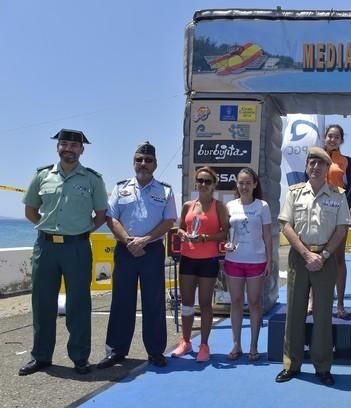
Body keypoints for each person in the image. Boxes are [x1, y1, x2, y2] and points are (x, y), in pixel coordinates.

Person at [20, 129, 108, 376]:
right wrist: (49, 229)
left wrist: (79, 232)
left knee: (79, 304)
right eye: (64, 144)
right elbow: (30, 211)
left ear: (82, 150)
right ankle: (41, 357)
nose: (69, 148)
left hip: (77, 248)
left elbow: (100, 216)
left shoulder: (92, 179)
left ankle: (80, 357)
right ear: (58, 147)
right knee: (42, 303)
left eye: (74, 145)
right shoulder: (42, 176)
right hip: (46, 247)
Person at [97, 142, 177, 369]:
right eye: (139, 159)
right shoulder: (120, 188)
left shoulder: (166, 191)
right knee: (122, 301)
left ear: (155, 164)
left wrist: (144, 240)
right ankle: (116, 351)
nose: (143, 164)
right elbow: (110, 218)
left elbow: (169, 221)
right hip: (125, 249)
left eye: (148, 160)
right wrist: (129, 241)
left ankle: (155, 352)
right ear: (134, 162)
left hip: (151, 250)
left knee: (153, 302)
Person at [275, 147, 351, 386]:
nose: (316, 167)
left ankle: (323, 366)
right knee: (295, 313)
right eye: (312, 162)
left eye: (321, 163)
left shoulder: (338, 195)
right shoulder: (294, 193)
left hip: (325, 259)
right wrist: (307, 254)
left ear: (328, 169)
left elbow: (342, 229)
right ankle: (291, 364)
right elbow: (286, 225)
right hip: (300, 257)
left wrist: (325, 254)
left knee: (323, 315)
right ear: (306, 167)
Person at [170, 167, 228, 362]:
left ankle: (204, 345)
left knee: (204, 304)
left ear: (213, 185)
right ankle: (185, 342)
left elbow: (225, 233)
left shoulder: (218, 206)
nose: (203, 184)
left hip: (208, 261)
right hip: (187, 259)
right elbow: (180, 229)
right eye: (200, 181)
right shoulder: (188, 205)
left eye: (207, 181)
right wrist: (183, 234)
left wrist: (205, 238)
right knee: (186, 303)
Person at [224, 168, 272, 362]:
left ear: (254, 184)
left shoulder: (263, 206)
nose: (244, 186)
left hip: (256, 261)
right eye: (241, 183)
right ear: (237, 184)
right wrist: (225, 244)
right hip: (233, 260)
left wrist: (270, 260)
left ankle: (253, 345)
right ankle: (236, 344)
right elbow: (226, 233)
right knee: (235, 302)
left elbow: (267, 235)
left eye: (248, 183)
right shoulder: (229, 206)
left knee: (254, 303)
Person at [323, 124, 351, 318]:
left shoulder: (347, 161)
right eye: (330, 136)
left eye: (336, 137)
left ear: (341, 140)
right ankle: (313, 300)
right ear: (325, 138)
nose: (333, 139)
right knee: (315, 256)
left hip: (338, 216)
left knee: (338, 259)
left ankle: (341, 304)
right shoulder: (315, 159)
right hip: (317, 216)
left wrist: (343, 212)